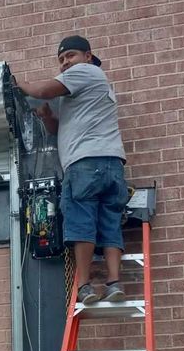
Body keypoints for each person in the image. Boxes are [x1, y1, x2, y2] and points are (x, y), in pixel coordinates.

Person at [18, 35, 129, 305]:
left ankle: (85, 286)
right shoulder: (90, 83)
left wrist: (18, 83)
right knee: (109, 223)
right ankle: (114, 283)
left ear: (88, 56)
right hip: (111, 164)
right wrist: (48, 118)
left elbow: (42, 91)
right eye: (61, 59)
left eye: (70, 56)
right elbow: (61, 129)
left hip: (85, 165)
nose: (65, 62)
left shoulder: (85, 72)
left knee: (81, 223)